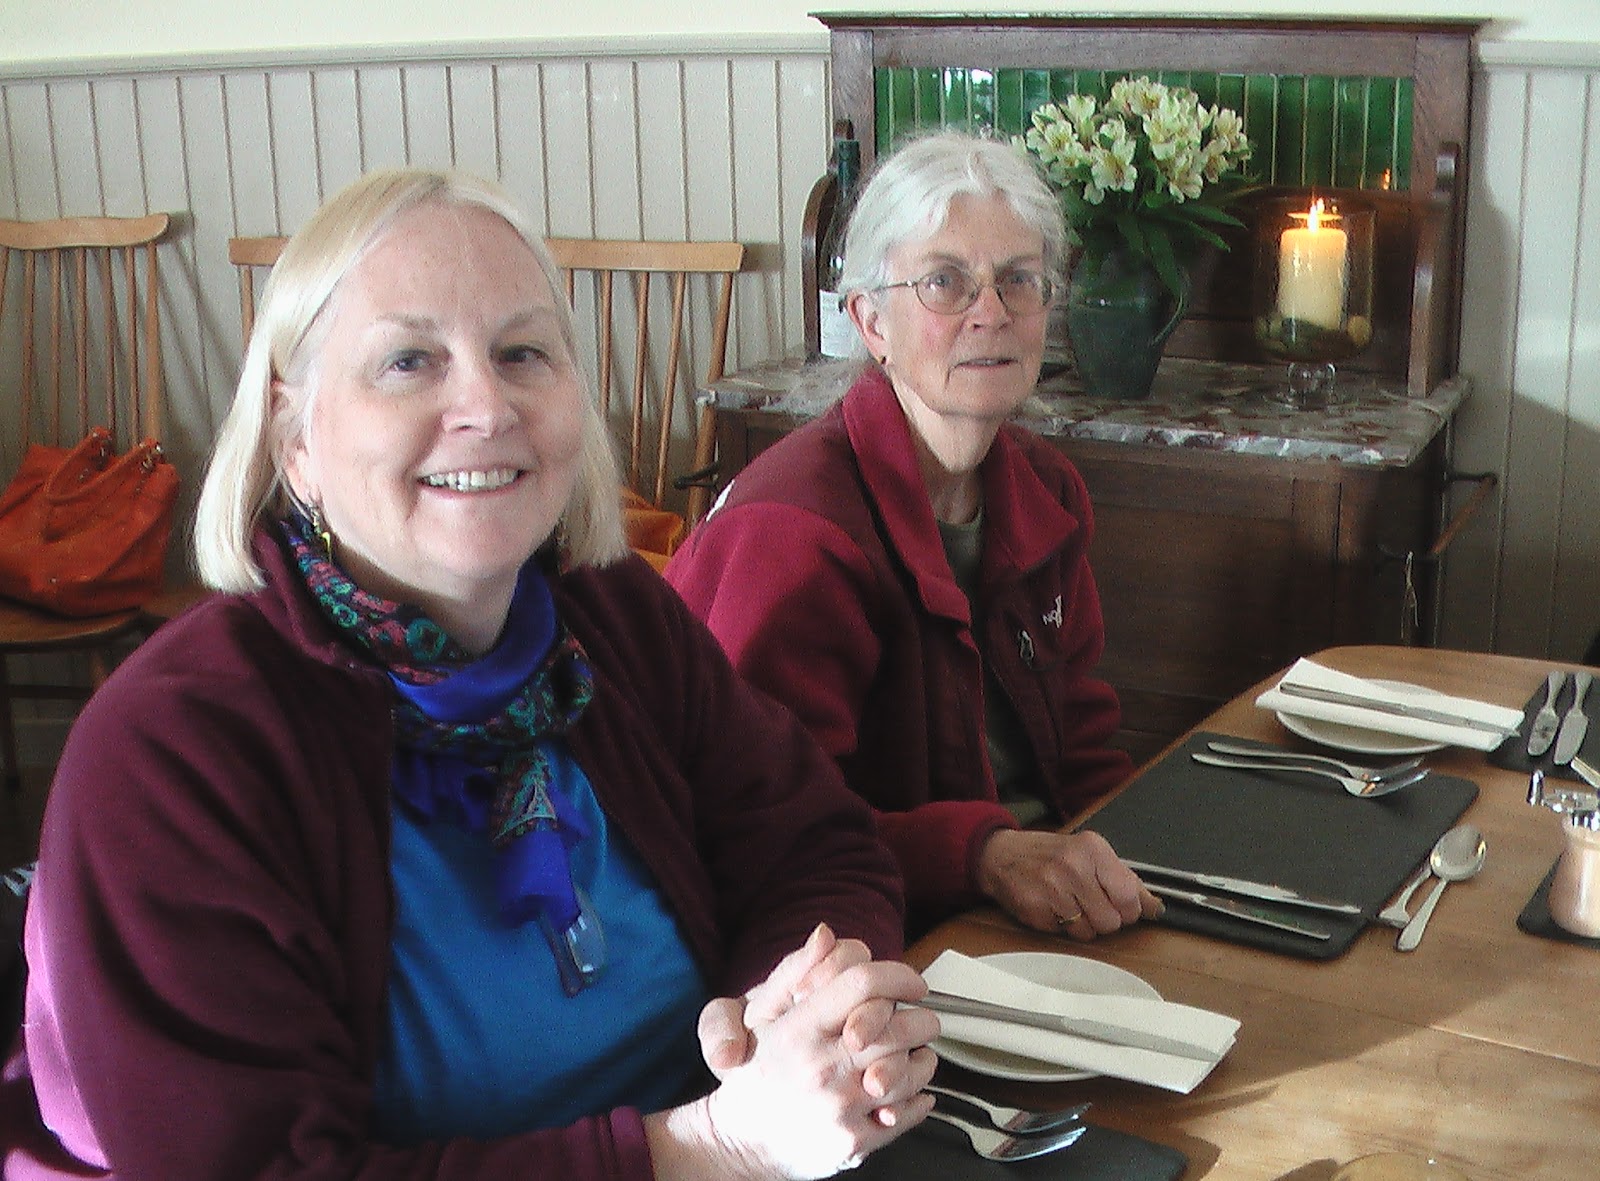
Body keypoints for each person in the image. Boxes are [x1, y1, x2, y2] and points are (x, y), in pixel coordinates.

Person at [0, 168, 939, 1180]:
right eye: (408, 360)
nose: (486, 406)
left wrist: (791, 1005)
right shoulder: (175, 749)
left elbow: (813, 843)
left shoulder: (614, 618)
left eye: (522, 352)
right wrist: (710, 1144)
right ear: (294, 436)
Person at [666, 132, 1162, 940]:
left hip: (1031, 907)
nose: (991, 313)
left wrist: (1137, 859)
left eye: (1019, 280)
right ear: (872, 322)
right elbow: (762, 828)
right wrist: (984, 854)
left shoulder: (1047, 490)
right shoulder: (791, 534)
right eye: (944, 282)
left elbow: (1080, 743)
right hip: (866, 935)